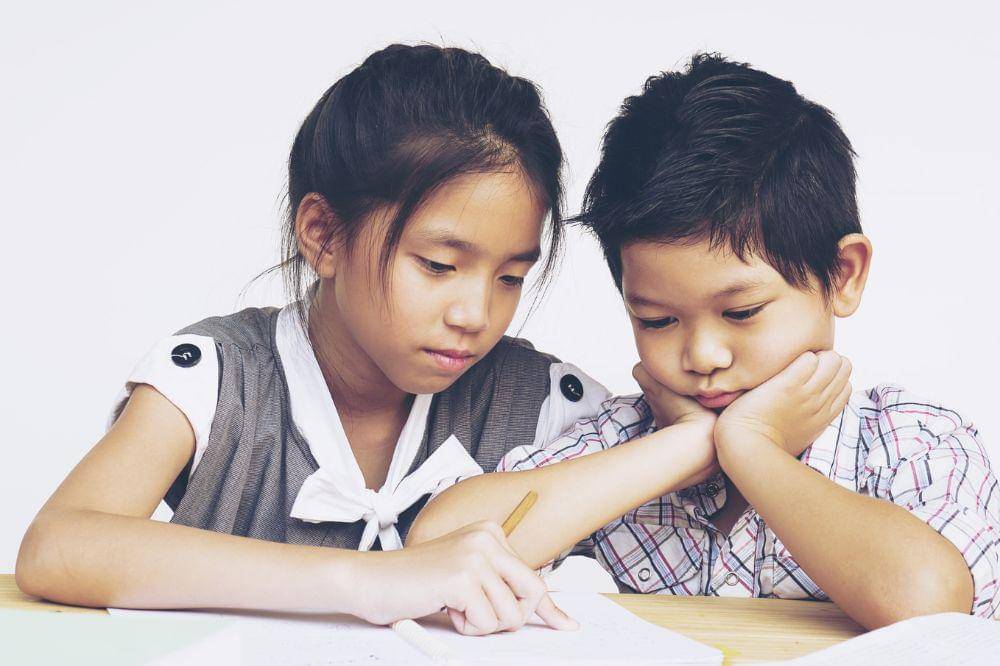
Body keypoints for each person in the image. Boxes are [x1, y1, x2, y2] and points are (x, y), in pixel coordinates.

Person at [15, 44, 609, 636]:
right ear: (323, 235)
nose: (476, 315)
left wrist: (668, 442)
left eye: (510, 278)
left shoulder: (544, 403)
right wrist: (368, 581)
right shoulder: (221, 380)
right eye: (438, 265)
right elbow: (56, 547)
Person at [408, 53, 999, 629]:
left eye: (741, 312)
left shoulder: (911, 444)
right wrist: (689, 446)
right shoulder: (620, 444)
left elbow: (934, 610)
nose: (702, 356)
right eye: (657, 321)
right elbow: (435, 556)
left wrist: (754, 449)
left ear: (842, 276)